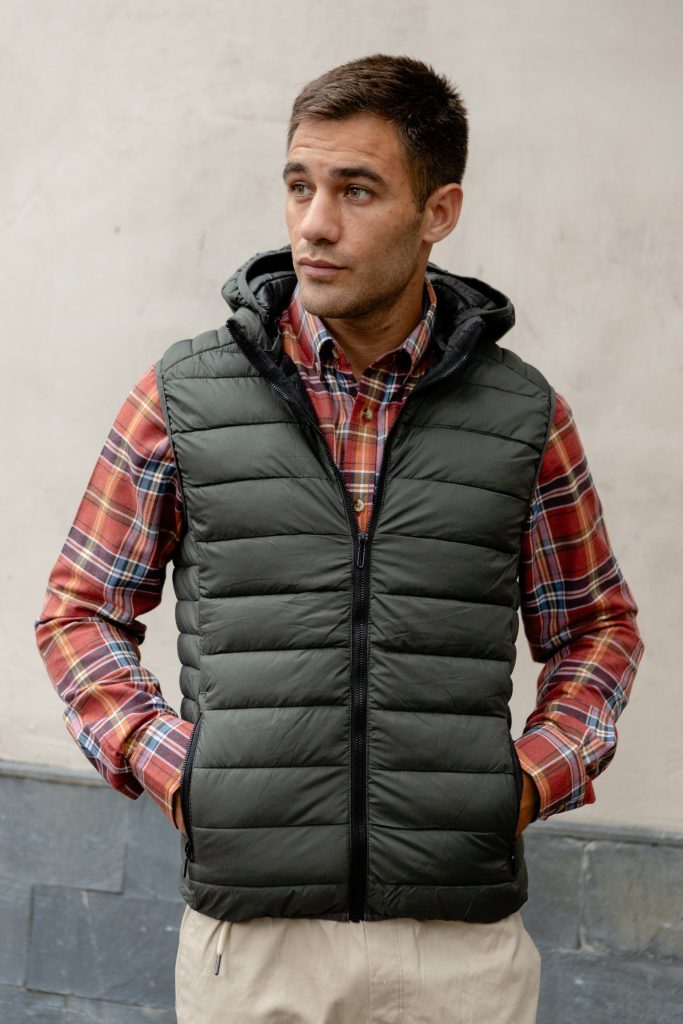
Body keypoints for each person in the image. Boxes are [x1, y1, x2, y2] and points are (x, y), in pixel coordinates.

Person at [36, 54, 644, 1024]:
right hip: (255, 947)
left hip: (458, 951)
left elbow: (595, 627)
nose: (314, 223)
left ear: (437, 211)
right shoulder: (183, 396)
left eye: (355, 190)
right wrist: (174, 768)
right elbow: (79, 611)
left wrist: (530, 779)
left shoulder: (523, 415)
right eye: (299, 185)